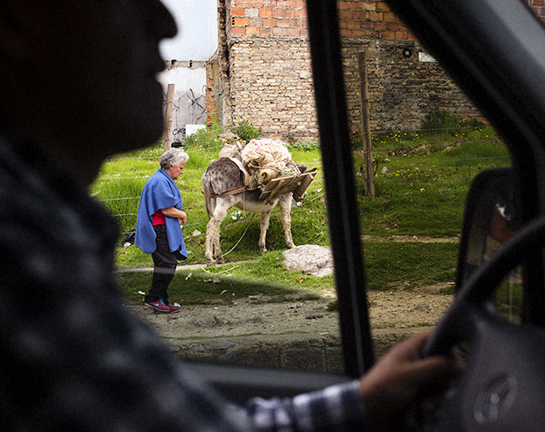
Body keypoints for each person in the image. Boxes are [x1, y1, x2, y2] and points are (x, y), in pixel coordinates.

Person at [0, 1, 458, 430]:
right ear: (18, 22)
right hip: (164, 234)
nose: (167, 23)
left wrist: (364, 398)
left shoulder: (53, 233)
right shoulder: (22, 257)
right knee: (165, 268)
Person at [135, 148, 189, 313]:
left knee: (163, 263)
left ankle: (162, 301)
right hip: (157, 229)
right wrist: (181, 214)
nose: (182, 171)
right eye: (180, 167)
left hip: (161, 227)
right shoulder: (160, 180)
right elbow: (166, 209)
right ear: (171, 165)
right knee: (168, 263)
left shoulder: (161, 178)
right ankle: (153, 298)